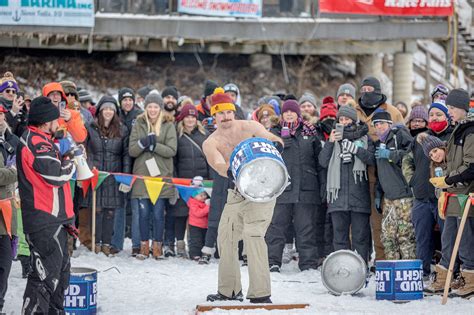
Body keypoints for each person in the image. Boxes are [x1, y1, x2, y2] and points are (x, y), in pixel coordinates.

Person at [203, 87, 283, 303]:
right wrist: (229, 169)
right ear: (214, 116)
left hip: (263, 188)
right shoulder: (211, 142)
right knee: (225, 235)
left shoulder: (250, 126)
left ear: (234, 111)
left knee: (253, 234)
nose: (226, 117)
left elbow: (271, 138)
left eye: (229, 112)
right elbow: (218, 164)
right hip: (237, 191)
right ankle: (229, 290)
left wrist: (275, 145)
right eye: (221, 113)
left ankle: (260, 293)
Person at [17, 96, 77, 313]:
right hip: (44, 219)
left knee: (61, 278)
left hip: (55, 219)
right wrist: (72, 161)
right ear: (45, 121)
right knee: (45, 280)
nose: (58, 123)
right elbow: (56, 175)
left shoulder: (42, 138)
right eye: (55, 119)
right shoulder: (35, 141)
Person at [266, 99, 325, 272]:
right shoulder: (273, 133)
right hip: (282, 187)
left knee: (306, 227)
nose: (289, 114)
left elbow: (319, 161)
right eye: (286, 112)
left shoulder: (310, 132)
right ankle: (272, 261)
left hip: (306, 188)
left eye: (292, 111)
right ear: (282, 114)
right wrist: (280, 144)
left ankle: (308, 263)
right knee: (276, 227)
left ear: (298, 113)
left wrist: (322, 185)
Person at [426, 88, 474, 299]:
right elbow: (454, 160)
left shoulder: (470, 131)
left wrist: (448, 179)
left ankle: (470, 277)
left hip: (466, 194)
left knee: (465, 240)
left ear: (463, 108)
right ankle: (443, 277)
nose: (450, 112)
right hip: (453, 193)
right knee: (448, 238)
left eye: (452, 108)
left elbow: (470, 165)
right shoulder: (458, 129)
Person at [354, 76, 404, 264]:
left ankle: (382, 260)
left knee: (380, 220)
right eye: (363, 89)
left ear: (377, 90)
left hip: (382, 175)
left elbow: (401, 139)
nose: (366, 92)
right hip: (356, 175)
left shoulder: (392, 112)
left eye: (370, 89)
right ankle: (359, 259)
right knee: (358, 222)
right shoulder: (354, 110)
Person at [402, 102, 453, 279]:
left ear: (447, 116)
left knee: (448, 238)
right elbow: (407, 161)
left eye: (439, 114)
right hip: (422, 197)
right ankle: (421, 273)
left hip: (444, 198)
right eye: (431, 115)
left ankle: (448, 275)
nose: (434, 118)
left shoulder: (453, 136)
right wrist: (413, 181)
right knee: (421, 239)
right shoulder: (420, 138)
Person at [318, 105, 375, 264]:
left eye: (347, 119)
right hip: (337, 197)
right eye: (341, 119)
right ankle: (342, 270)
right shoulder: (333, 139)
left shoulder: (364, 139)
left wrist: (356, 150)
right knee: (340, 238)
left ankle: (361, 269)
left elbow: (371, 159)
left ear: (353, 120)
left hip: (359, 197)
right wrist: (330, 143)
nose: (343, 122)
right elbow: (322, 162)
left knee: (360, 238)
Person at [129, 93, 177, 260]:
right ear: (146, 108)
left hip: (161, 175)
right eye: (150, 106)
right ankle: (143, 247)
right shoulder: (139, 123)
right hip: (142, 175)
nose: (153, 110)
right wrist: (143, 143)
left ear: (160, 108)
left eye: (156, 106)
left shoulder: (168, 125)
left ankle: (157, 247)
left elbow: (172, 150)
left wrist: (154, 146)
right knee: (143, 213)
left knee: (158, 214)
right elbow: (132, 150)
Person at [83, 96, 131, 256]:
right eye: (106, 109)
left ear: (115, 112)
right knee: (97, 210)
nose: (108, 112)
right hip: (96, 175)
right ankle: (96, 242)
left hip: (113, 175)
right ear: (100, 111)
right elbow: (86, 150)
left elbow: (125, 155)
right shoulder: (90, 127)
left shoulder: (122, 129)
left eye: (111, 109)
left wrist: (125, 177)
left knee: (110, 211)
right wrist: (89, 169)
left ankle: (107, 244)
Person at [372, 110, 415, 260]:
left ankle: (408, 269)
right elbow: (380, 174)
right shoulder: (379, 144)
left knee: (405, 235)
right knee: (388, 236)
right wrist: (378, 195)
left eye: (382, 123)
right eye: (376, 124)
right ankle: (393, 269)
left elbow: (412, 156)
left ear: (389, 124)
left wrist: (391, 155)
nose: (379, 127)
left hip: (404, 196)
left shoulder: (399, 135)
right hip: (388, 198)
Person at [173, 104, 210, 258]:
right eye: (187, 116)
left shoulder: (204, 135)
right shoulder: (177, 135)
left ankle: (200, 246)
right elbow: (174, 160)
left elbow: (209, 158)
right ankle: (180, 244)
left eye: (193, 117)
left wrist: (208, 180)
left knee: (201, 215)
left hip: (202, 182)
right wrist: (176, 181)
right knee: (181, 214)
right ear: (182, 118)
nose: (190, 119)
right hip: (184, 183)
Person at [0, 104, 18, 313]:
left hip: (7, 210)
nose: (1, 117)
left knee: (5, 264)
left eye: (3, 114)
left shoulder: (10, 140)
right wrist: (12, 172)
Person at [188, 187, 210, 261]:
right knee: (196, 241)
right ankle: (195, 254)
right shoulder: (193, 203)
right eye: (201, 195)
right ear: (195, 196)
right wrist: (208, 207)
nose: (203, 197)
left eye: (204, 195)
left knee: (203, 240)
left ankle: (202, 253)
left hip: (204, 225)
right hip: (195, 225)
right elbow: (198, 213)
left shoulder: (205, 203)